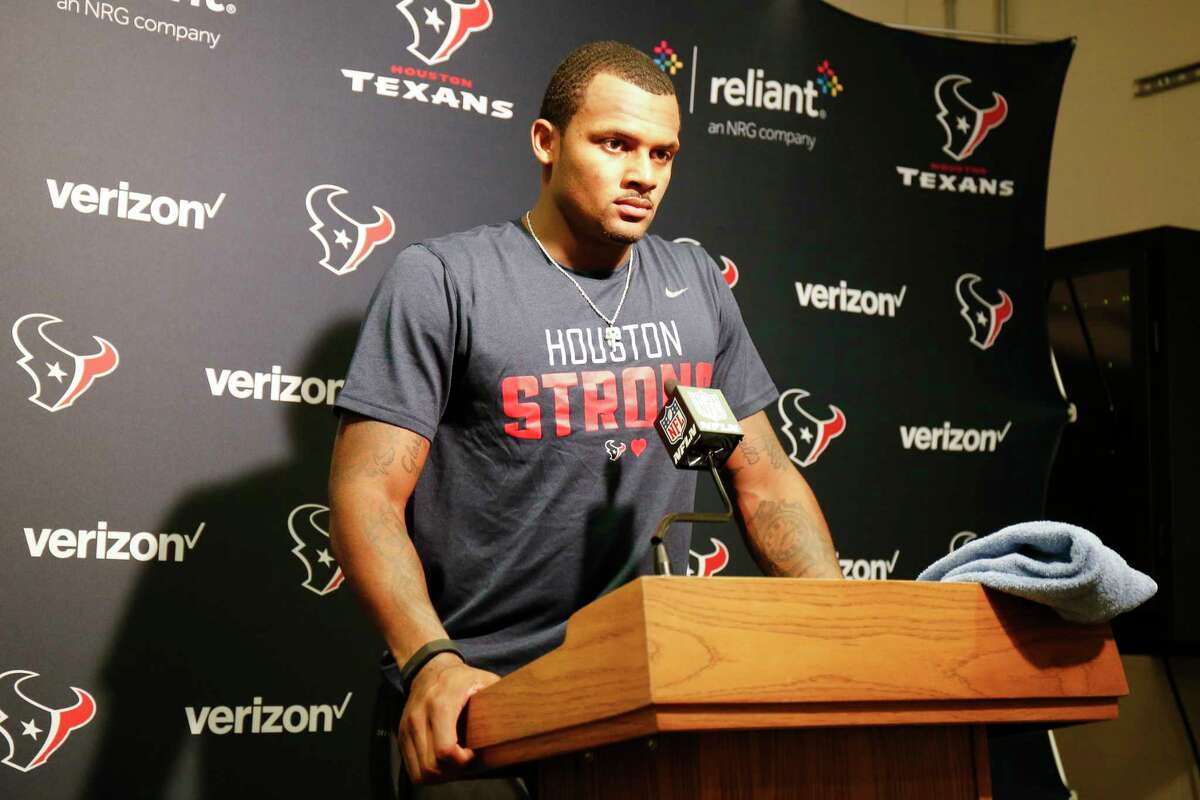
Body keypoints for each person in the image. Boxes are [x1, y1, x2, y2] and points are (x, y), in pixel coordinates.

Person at [328, 40, 841, 797]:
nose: (643, 174)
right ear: (546, 142)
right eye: (615, 144)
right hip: (484, 698)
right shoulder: (444, 278)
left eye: (663, 155)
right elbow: (366, 494)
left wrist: (838, 624)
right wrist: (430, 663)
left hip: (645, 689)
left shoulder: (695, 283)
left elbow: (762, 476)